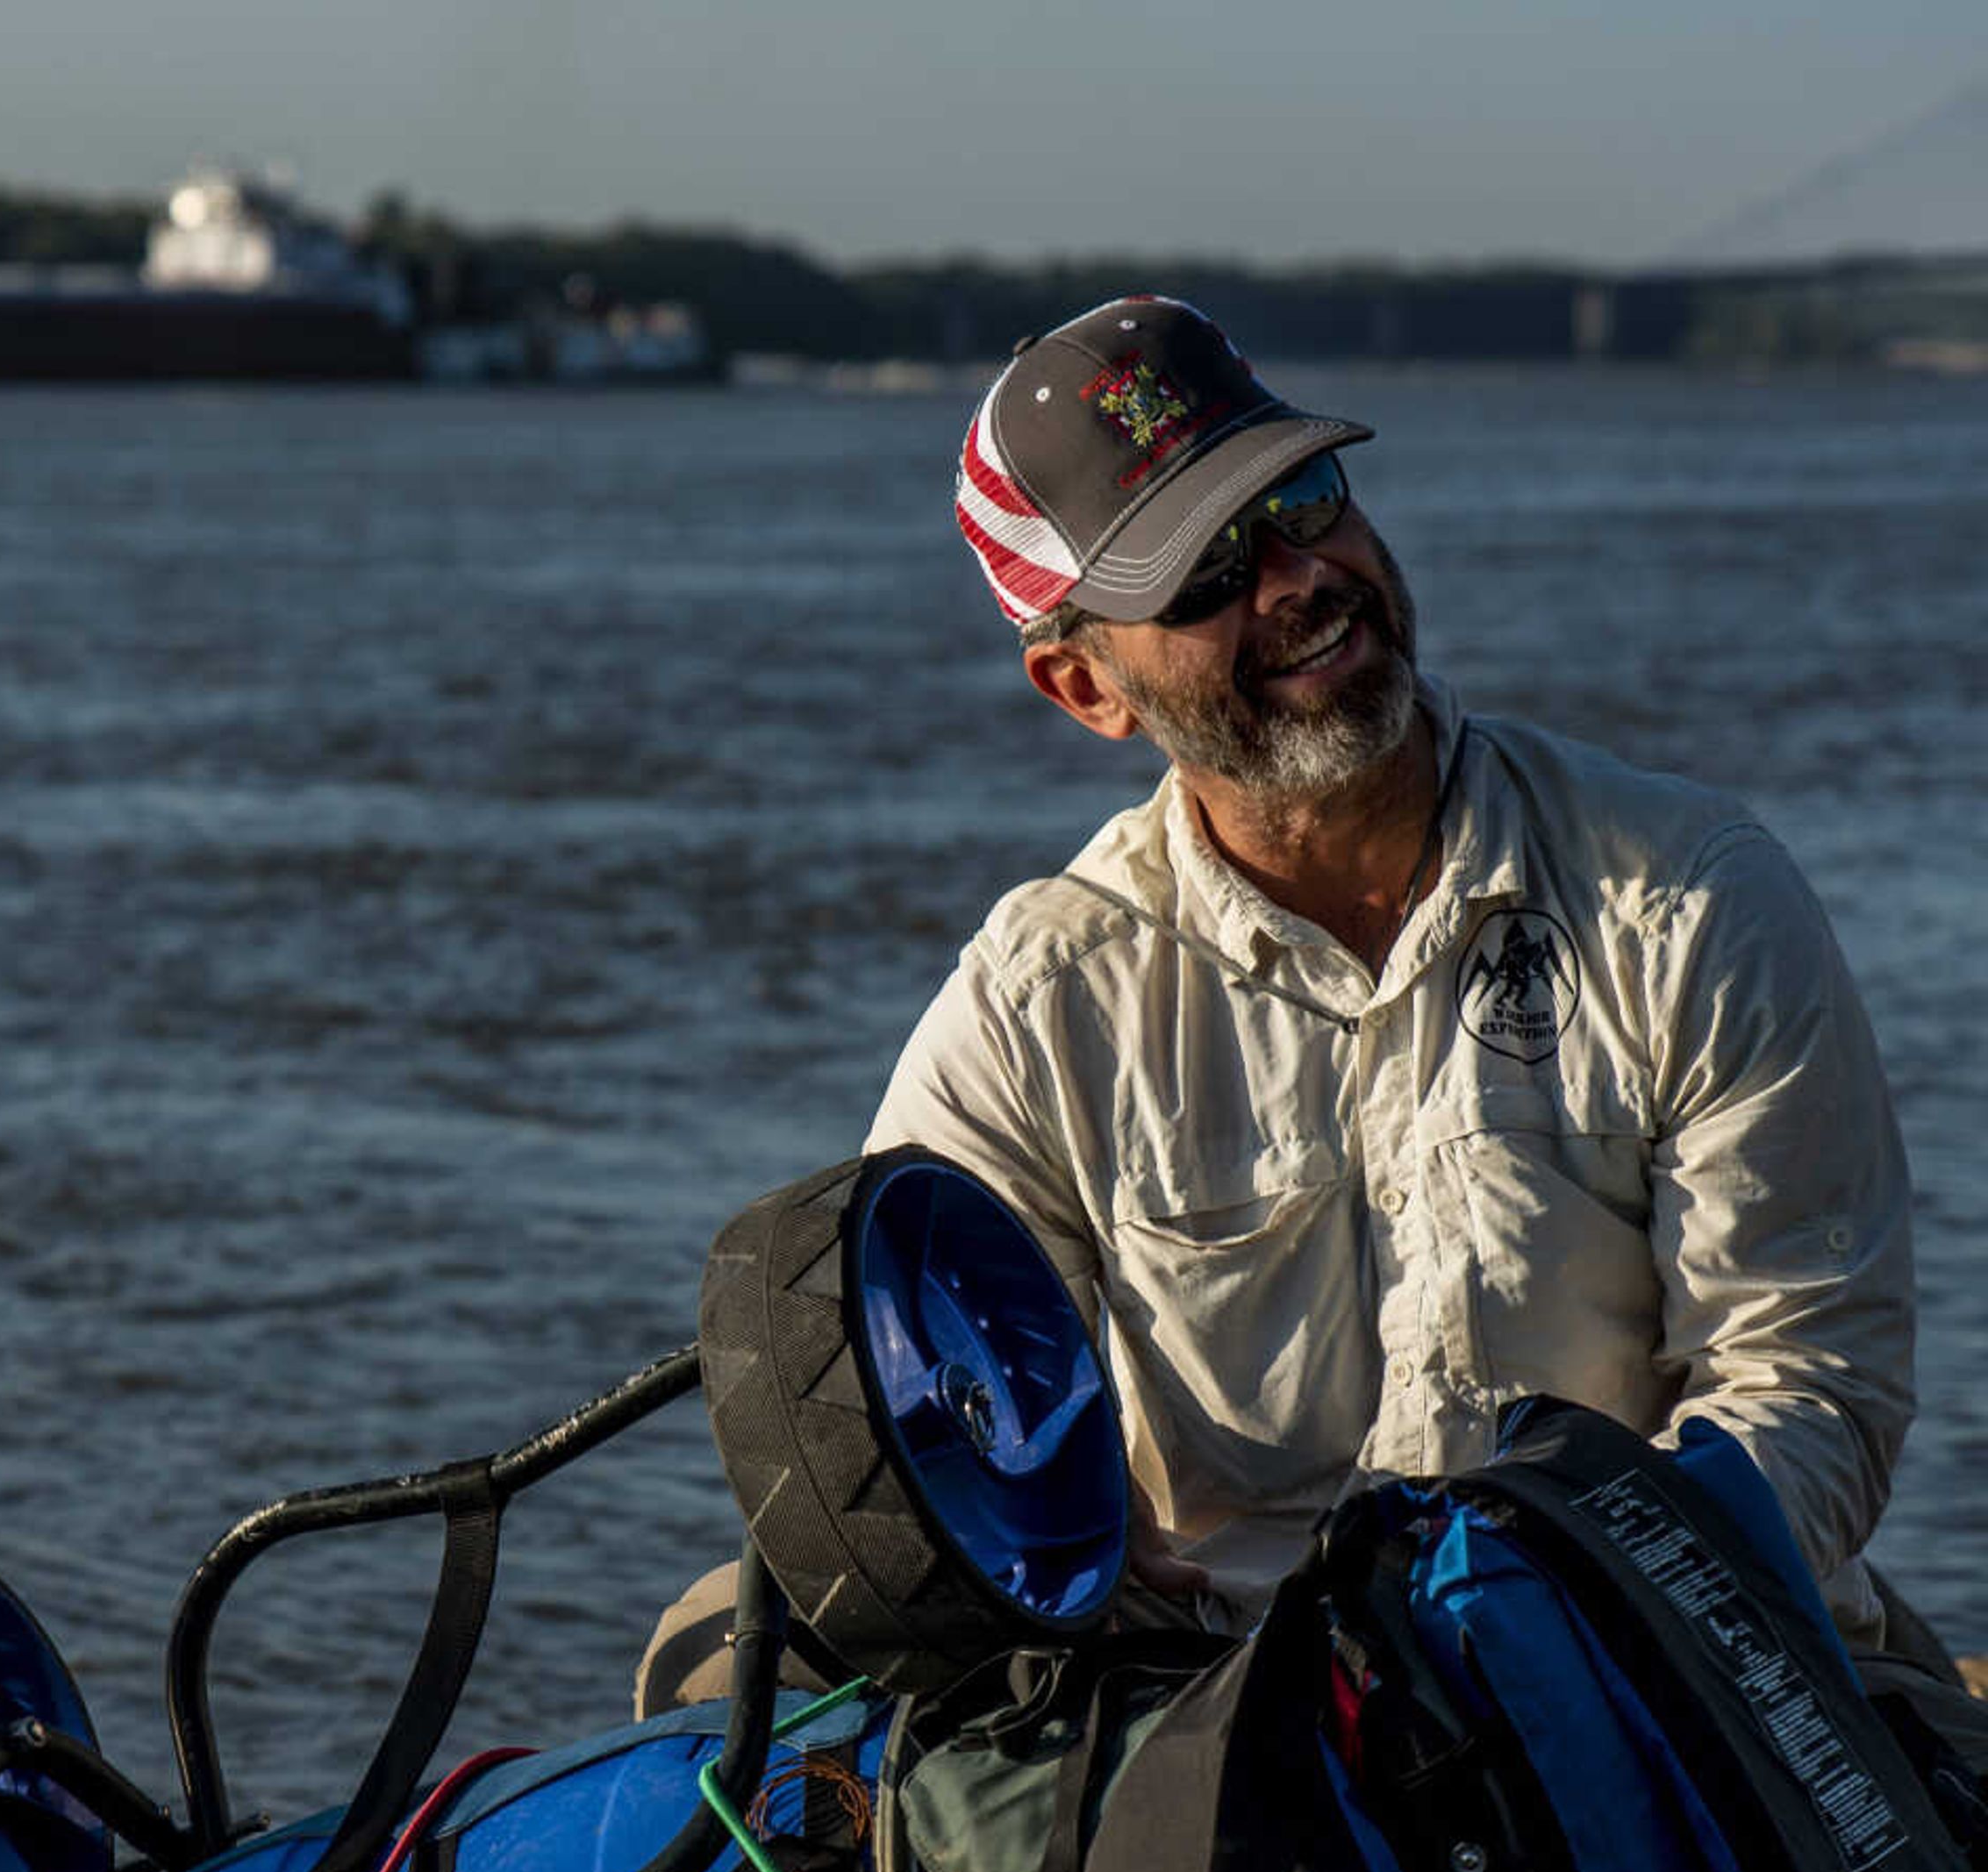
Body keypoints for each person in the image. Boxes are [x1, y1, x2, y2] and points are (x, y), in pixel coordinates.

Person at [642, 293, 1956, 1712]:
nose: (1295, 578)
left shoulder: (1687, 895)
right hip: (1231, 1732)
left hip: (1672, 1686)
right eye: (1202, 573)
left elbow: (1805, 1386)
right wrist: (1087, 1595)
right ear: (1084, 686)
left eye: (1305, 498)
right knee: (714, 1651)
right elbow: (934, 1440)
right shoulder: (1040, 1012)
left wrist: (1555, 1622)